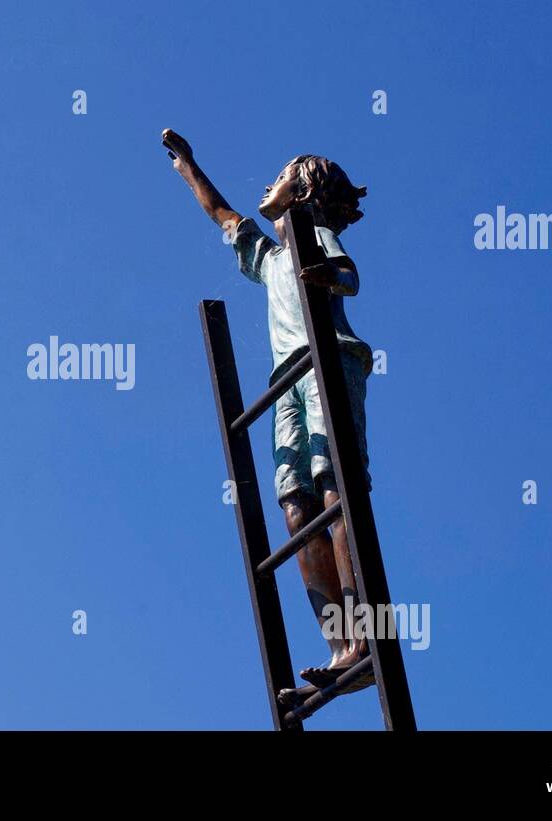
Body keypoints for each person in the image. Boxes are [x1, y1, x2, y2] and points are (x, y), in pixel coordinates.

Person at [164, 128, 375, 689]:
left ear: (302, 189)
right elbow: (223, 215)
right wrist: (189, 166)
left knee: (336, 488)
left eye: (281, 174)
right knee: (297, 509)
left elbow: (349, 275)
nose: (269, 181)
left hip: (330, 363)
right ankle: (340, 646)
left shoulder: (314, 235)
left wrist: (330, 275)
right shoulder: (270, 257)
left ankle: (364, 639)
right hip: (287, 380)